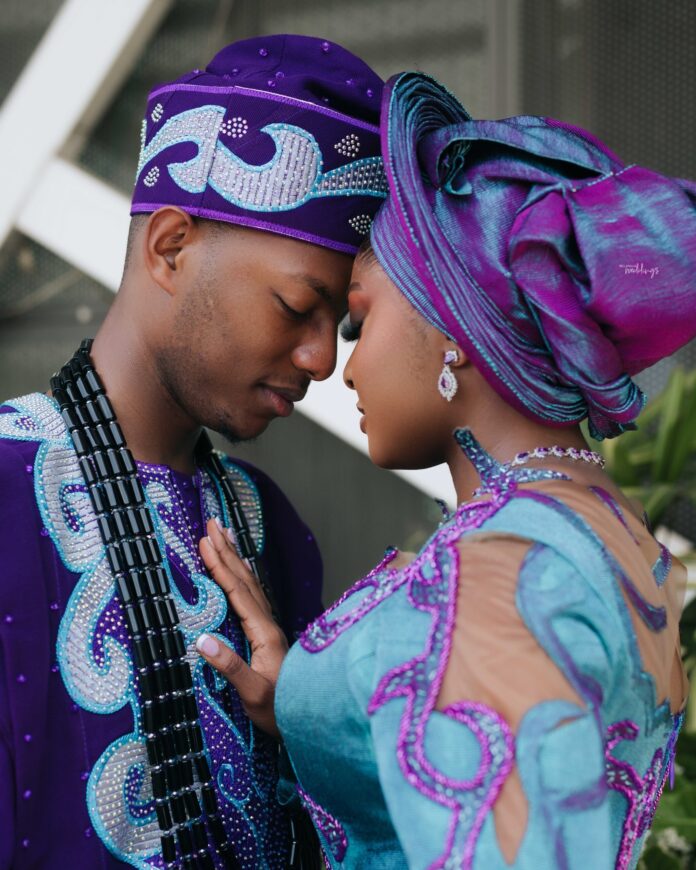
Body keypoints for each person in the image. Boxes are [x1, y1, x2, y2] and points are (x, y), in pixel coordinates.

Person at [195, 71, 696, 868]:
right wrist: (313, 703)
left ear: (450, 328)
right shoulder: (609, 532)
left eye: (359, 321)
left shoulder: (505, 574)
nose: (341, 368)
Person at [0, 35, 387, 869]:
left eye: (344, 326)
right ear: (171, 247)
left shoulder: (269, 527)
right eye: (298, 306)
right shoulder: (3, 485)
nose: (323, 358)